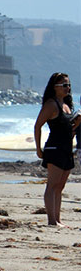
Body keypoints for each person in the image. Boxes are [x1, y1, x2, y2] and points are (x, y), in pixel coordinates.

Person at [33, 73, 80, 227]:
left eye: (69, 85)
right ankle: (51, 220)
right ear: (55, 87)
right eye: (64, 85)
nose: (68, 88)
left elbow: (68, 131)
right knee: (52, 184)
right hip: (54, 148)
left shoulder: (66, 105)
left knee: (60, 186)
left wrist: (76, 124)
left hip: (66, 149)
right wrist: (38, 148)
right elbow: (38, 125)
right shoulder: (51, 105)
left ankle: (58, 219)